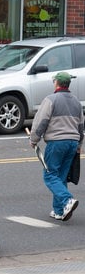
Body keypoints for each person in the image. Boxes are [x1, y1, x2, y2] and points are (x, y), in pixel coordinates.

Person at [29, 71, 83, 221]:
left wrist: (34, 139)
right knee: (61, 176)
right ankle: (59, 211)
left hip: (56, 142)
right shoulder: (77, 102)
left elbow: (41, 121)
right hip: (72, 142)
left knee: (50, 175)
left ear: (57, 83)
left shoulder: (51, 99)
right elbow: (81, 126)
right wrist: (79, 144)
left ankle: (67, 200)